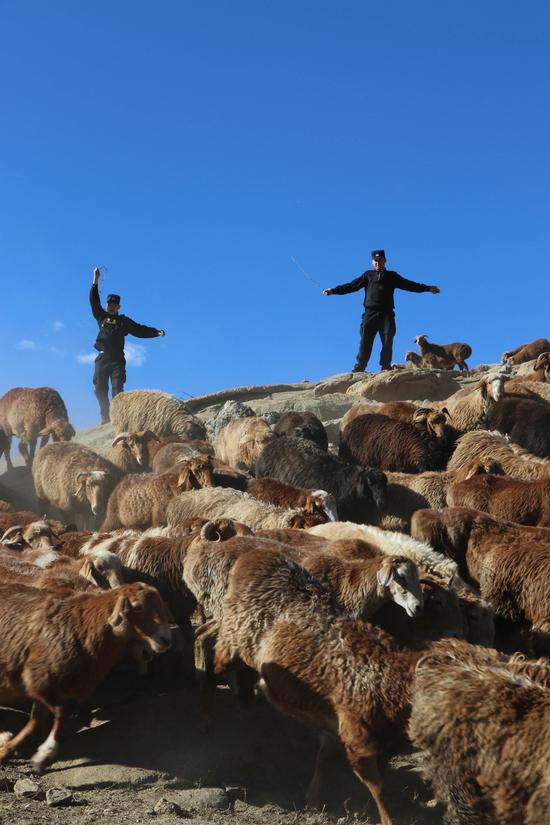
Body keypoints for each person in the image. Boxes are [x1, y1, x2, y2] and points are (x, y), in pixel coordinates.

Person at [323, 249, 440, 372]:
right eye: (375, 260)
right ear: (372, 261)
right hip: (370, 313)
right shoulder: (368, 275)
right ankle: (360, 366)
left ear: (385, 260)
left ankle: (385, 366)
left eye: (380, 260)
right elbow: (352, 286)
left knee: (387, 340)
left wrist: (427, 288)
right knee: (365, 340)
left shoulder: (392, 276)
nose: (378, 262)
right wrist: (334, 291)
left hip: (387, 314)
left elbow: (409, 285)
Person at [90, 267, 166, 424]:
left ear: (119, 306)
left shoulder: (124, 321)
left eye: (114, 304)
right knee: (100, 389)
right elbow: (94, 301)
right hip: (103, 358)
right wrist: (95, 280)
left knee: (118, 391)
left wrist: (156, 332)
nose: (111, 306)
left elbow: (139, 329)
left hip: (117, 360)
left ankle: (117, 418)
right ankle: (105, 417)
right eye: (109, 303)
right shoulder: (101, 316)